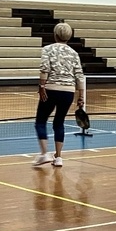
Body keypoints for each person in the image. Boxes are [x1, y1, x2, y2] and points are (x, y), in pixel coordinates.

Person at [34, 23, 86, 167]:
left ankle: (44, 154)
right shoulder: (74, 53)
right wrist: (81, 96)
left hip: (51, 89)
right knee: (59, 122)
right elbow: (79, 76)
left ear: (55, 35)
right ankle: (58, 158)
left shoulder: (47, 49)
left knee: (40, 121)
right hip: (68, 92)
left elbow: (44, 69)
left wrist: (42, 86)